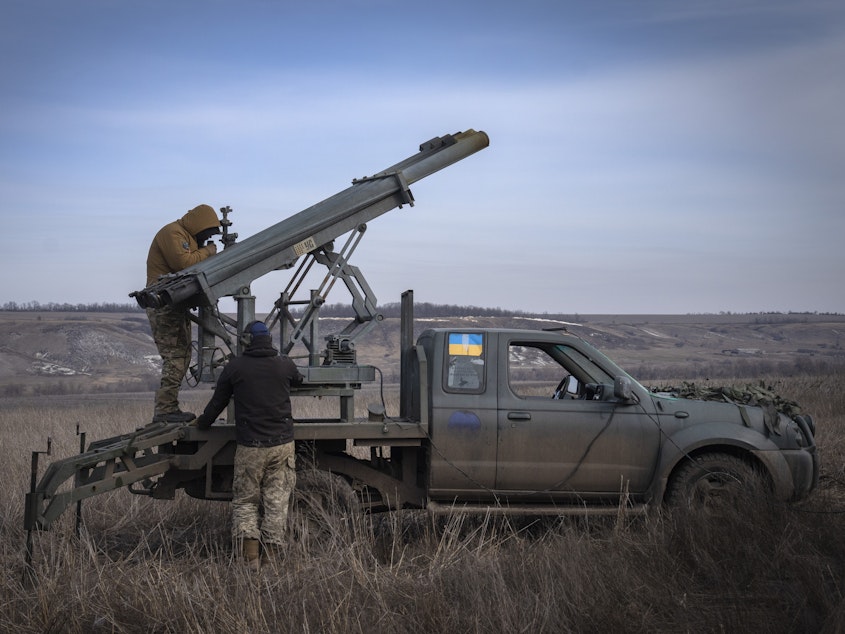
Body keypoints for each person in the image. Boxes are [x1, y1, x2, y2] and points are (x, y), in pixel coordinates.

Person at [195, 320, 305, 570]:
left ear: (246, 341)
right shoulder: (284, 364)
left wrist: (202, 424)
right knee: (277, 502)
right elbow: (299, 379)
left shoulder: (236, 367)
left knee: (246, 502)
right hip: (282, 445)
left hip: (250, 448)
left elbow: (217, 403)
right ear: (268, 339)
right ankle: (271, 560)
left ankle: (251, 561)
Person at [145, 204, 221, 423]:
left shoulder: (184, 235)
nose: (206, 239)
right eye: (205, 233)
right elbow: (184, 263)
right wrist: (209, 251)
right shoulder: (173, 232)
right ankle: (165, 410)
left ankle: (168, 407)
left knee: (183, 355)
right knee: (175, 357)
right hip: (162, 303)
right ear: (198, 225)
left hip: (173, 304)